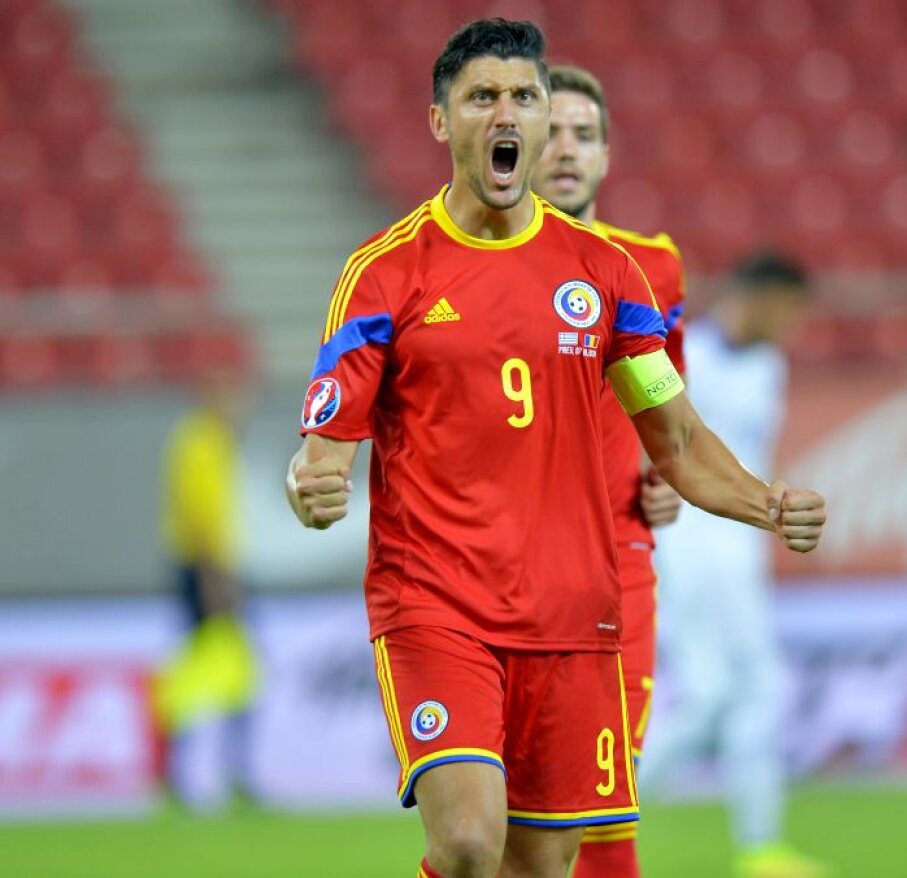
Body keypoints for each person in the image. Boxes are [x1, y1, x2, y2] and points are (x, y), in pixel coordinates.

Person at [283, 19, 827, 878]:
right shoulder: (385, 273)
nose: (507, 112)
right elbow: (324, 448)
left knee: (541, 866)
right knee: (469, 843)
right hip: (437, 604)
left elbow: (675, 435)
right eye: (482, 97)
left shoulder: (608, 275)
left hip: (573, 614)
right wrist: (311, 484)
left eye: (523, 96)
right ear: (441, 121)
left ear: (541, 119)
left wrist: (769, 503)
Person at [530, 64, 685, 878]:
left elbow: (666, 400)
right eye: (551, 132)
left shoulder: (654, 268)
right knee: (505, 828)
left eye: (583, 135)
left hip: (620, 558)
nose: (566, 150)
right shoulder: (468, 268)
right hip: (504, 568)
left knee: (607, 795)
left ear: (606, 156)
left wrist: (666, 472)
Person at [637, 253, 826, 878]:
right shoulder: (684, 357)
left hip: (741, 555)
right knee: (732, 693)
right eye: (789, 310)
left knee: (738, 695)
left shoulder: (770, 366)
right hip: (691, 552)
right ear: (760, 298)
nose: (794, 324)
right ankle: (599, 814)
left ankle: (759, 847)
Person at [155, 361, 257, 811]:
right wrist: (216, 582)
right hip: (206, 573)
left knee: (211, 673)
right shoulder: (200, 443)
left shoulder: (210, 441)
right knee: (220, 674)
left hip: (212, 570)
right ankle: (219, 773)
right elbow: (198, 521)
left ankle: (189, 775)